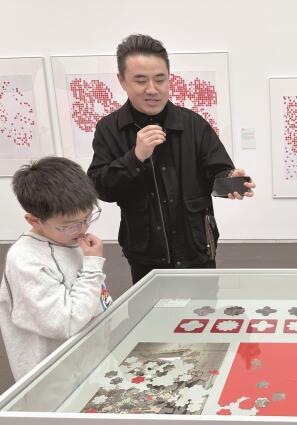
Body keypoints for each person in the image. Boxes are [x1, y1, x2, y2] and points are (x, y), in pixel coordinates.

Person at [88, 35, 255, 284]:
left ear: (169, 78)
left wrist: (230, 180)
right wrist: (135, 157)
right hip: (145, 256)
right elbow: (101, 188)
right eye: (140, 81)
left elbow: (217, 173)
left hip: (197, 248)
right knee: (150, 309)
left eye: (160, 79)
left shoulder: (193, 124)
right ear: (122, 80)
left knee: (204, 308)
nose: (152, 90)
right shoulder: (109, 129)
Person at [0, 157, 112, 381]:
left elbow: (95, 299)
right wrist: (92, 266)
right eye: (69, 225)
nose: (82, 229)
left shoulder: (71, 241)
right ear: (34, 221)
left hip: (90, 363)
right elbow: (67, 323)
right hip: (55, 378)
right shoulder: (25, 260)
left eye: (87, 218)